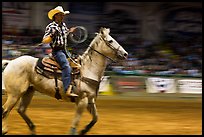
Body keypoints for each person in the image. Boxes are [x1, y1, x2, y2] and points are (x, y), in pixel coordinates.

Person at [42, 6, 78, 97]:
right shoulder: (51, 26)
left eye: (63, 15)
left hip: (65, 50)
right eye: (61, 15)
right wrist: (51, 36)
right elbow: (44, 40)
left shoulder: (63, 25)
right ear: (56, 16)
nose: (63, 16)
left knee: (77, 63)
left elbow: (65, 33)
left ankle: (77, 86)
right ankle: (67, 89)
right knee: (66, 66)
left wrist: (70, 31)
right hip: (57, 51)